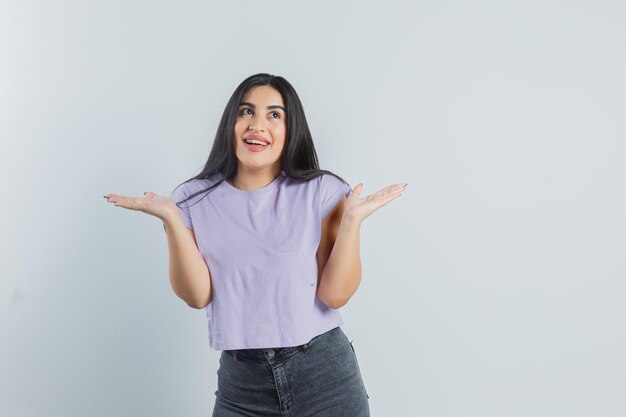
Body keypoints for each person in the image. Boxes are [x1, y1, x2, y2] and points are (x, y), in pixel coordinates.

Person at [104, 73, 406, 416]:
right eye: (246, 112)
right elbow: (197, 295)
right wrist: (172, 219)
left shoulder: (321, 191)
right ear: (231, 123)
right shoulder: (192, 198)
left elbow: (335, 295)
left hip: (324, 376)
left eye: (274, 115)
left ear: (291, 130)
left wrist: (352, 223)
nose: (257, 125)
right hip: (242, 383)